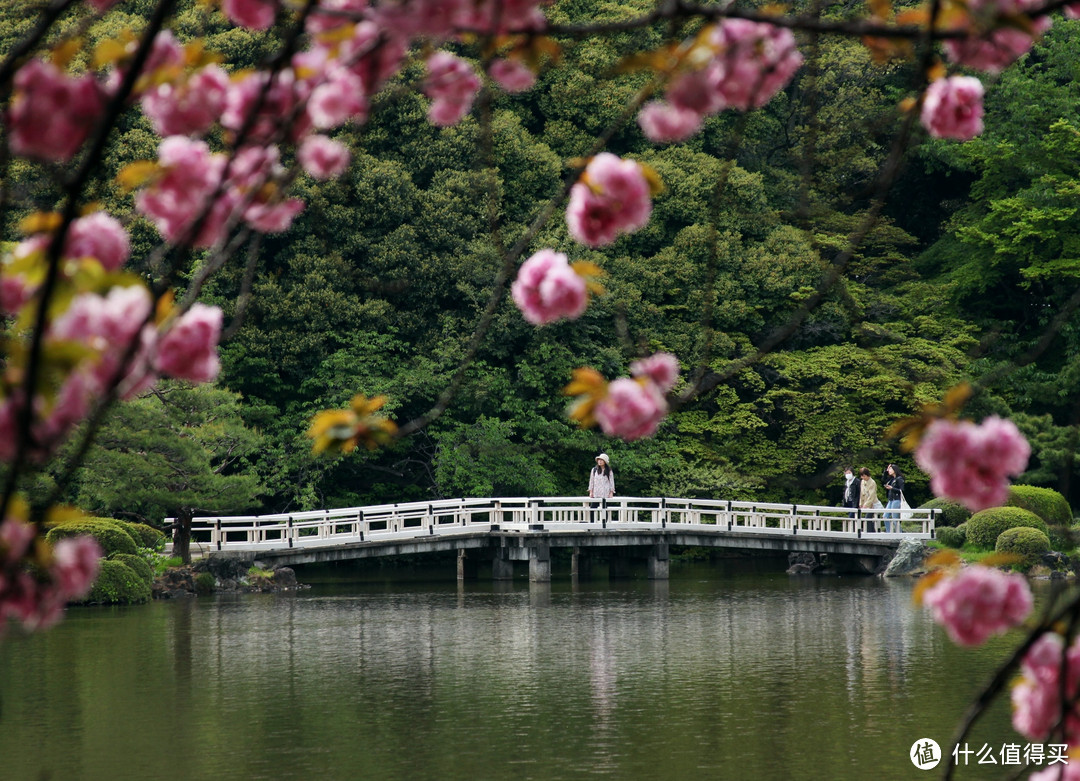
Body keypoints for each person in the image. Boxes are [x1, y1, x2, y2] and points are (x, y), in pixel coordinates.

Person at [883, 463, 905, 534]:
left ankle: (900, 534)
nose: (889, 470)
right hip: (891, 500)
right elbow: (883, 480)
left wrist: (892, 488)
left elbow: (902, 490)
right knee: (885, 516)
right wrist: (886, 472)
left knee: (895, 519)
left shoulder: (899, 479)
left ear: (895, 470)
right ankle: (889, 533)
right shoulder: (892, 479)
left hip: (896, 500)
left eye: (890, 469)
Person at [858, 467, 880, 532]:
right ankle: (872, 532)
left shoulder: (872, 482)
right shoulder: (862, 482)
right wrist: (861, 504)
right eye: (862, 476)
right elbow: (861, 493)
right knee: (868, 519)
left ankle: (871, 532)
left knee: (868, 518)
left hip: (872, 503)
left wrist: (866, 504)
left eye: (864, 476)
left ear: (868, 475)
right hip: (865, 502)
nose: (863, 477)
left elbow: (872, 495)